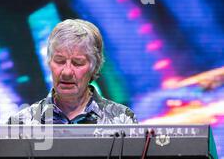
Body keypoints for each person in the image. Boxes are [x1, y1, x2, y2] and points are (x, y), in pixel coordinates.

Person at [7, 19, 137, 124]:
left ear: (94, 67)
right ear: (49, 63)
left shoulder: (122, 120)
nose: (67, 72)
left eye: (77, 63)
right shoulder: (21, 124)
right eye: (59, 61)